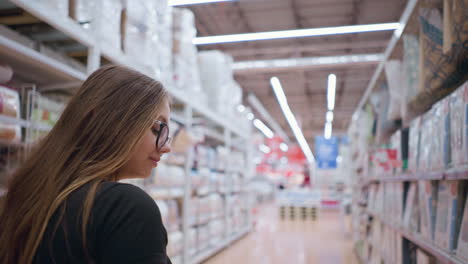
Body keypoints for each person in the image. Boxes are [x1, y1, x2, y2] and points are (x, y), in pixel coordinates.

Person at [0, 65, 173, 264]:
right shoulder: (126, 208)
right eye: (157, 129)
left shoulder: (26, 194)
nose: (166, 147)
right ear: (111, 123)